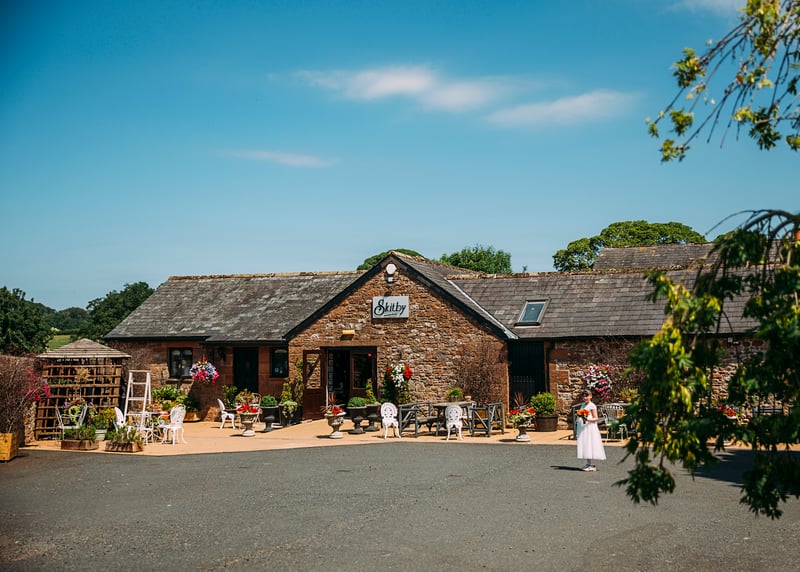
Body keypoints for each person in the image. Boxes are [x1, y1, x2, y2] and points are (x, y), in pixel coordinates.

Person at [577, 389, 606, 471]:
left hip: (590, 428)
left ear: (590, 396)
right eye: (583, 396)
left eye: (587, 396)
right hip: (584, 428)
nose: (585, 398)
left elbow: (596, 418)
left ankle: (592, 465)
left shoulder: (592, 406)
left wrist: (587, 420)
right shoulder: (583, 405)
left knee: (590, 444)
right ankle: (588, 463)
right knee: (586, 444)